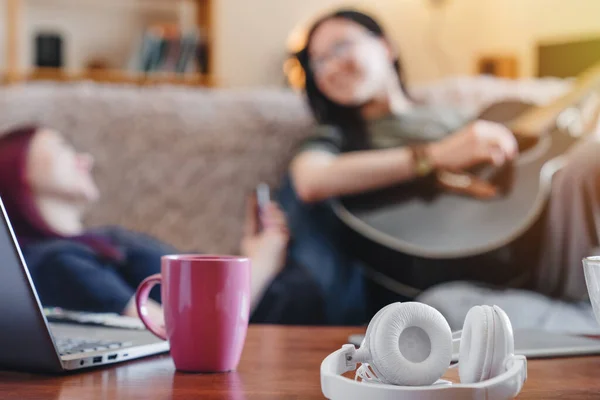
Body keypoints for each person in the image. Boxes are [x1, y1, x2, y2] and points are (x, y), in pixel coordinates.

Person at [277, 9, 600, 326]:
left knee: (592, 156)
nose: (330, 67)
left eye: (340, 47)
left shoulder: (457, 116)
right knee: (440, 310)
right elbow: (311, 179)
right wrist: (436, 155)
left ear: (386, 46)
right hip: (476, 285)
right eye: (317, 62)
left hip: (549, 251)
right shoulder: (335, 135)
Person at [0, 125, 323, 325]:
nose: (85, 159)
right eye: (63, 147)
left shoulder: (94, 241)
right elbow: (184, 334)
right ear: (18, 168)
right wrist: (263, 261)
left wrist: (251, 253)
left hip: (288, 294)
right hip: (289, 310)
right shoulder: (59, 262)